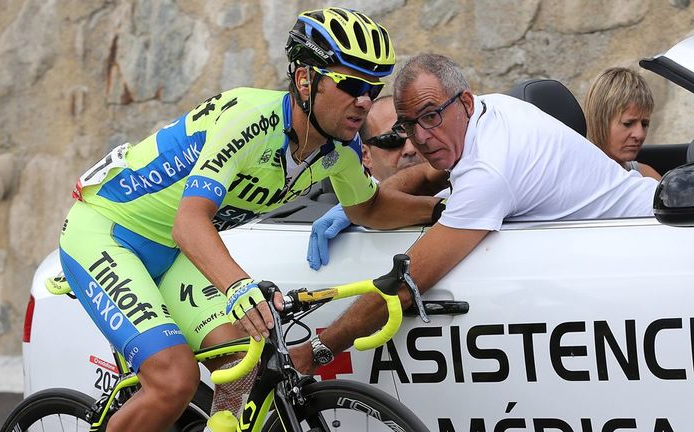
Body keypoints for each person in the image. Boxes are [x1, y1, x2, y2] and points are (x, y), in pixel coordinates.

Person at [57, 8, 439, 432]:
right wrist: (239, 287)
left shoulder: (337, 152)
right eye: (350, 85)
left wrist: (444, 210)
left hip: (170, 249)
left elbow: (369, 209)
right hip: (107, 233)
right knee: (173, 380)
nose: (365, 100)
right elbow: (190, 222)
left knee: (242, 360)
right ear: (304, 80)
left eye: (373, 88)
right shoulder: (247, 119)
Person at [291, 53, 659, 374]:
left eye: (430, 116)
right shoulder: (490, 109)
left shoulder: (489, 173)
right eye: (406, 126)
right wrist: (364, 206)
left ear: (464, 102)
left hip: (652, 239)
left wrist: (318, 351)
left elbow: (404, 285)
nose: (419, 138)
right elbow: (423, 175)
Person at [307, 96, 433, 270]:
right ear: (365, 155)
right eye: (391, 141)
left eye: (415, 135)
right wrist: (361, 209)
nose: (410, 149)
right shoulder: (339, 209)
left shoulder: (459, 183)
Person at [584, 67, 661, 180]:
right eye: (628, 123)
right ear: (599, 121)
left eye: (644, 124)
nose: (639, 134)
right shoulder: (580, 178)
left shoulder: (646, 176)